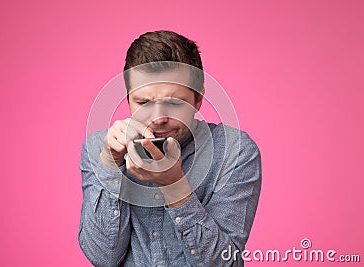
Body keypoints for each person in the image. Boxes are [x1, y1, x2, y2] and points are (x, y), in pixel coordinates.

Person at [79, 30, 262, 266]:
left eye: (174, 103)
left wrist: (175, 187)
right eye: (144, 102)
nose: (158, 118)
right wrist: (111, 167)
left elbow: (225, 263)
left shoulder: (234, 152)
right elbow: (102, 257)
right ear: (127, 98)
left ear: (198, 100)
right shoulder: (100, 148)